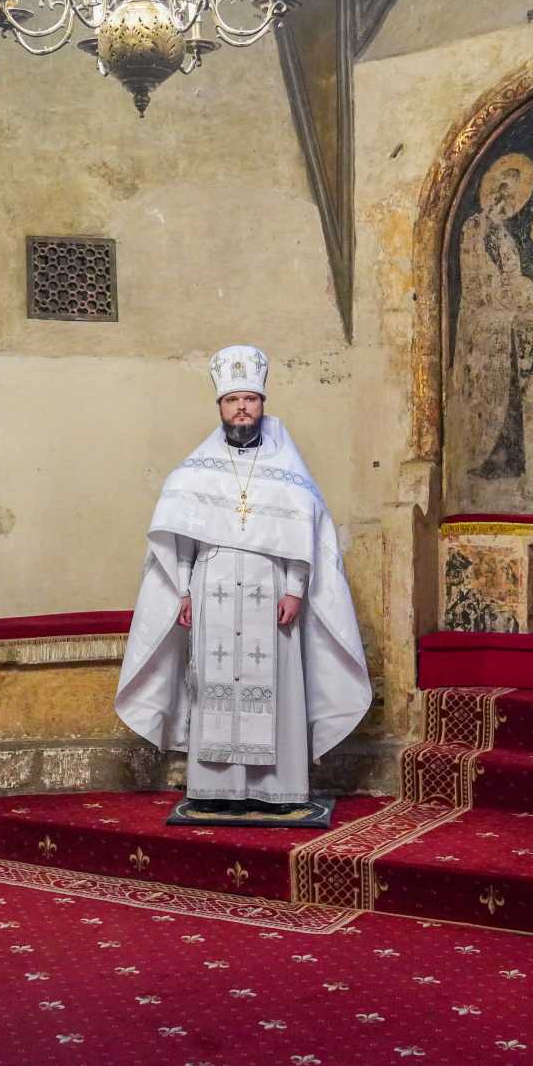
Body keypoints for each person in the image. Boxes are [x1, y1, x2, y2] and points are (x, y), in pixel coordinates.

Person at [115, 345, 372, 817]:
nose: (241, 409)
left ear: (262, 403)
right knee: (212, 684)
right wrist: (183, 590)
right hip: (211, 587)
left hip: (269, 589)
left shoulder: (286, 467)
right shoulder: (195, 471)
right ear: (220, 406)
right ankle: (214, 788)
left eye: (250, 399)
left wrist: (295, 589)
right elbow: (183, 538)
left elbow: (304, 534)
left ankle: (279, 790)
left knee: (277, 685)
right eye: (233, 400)